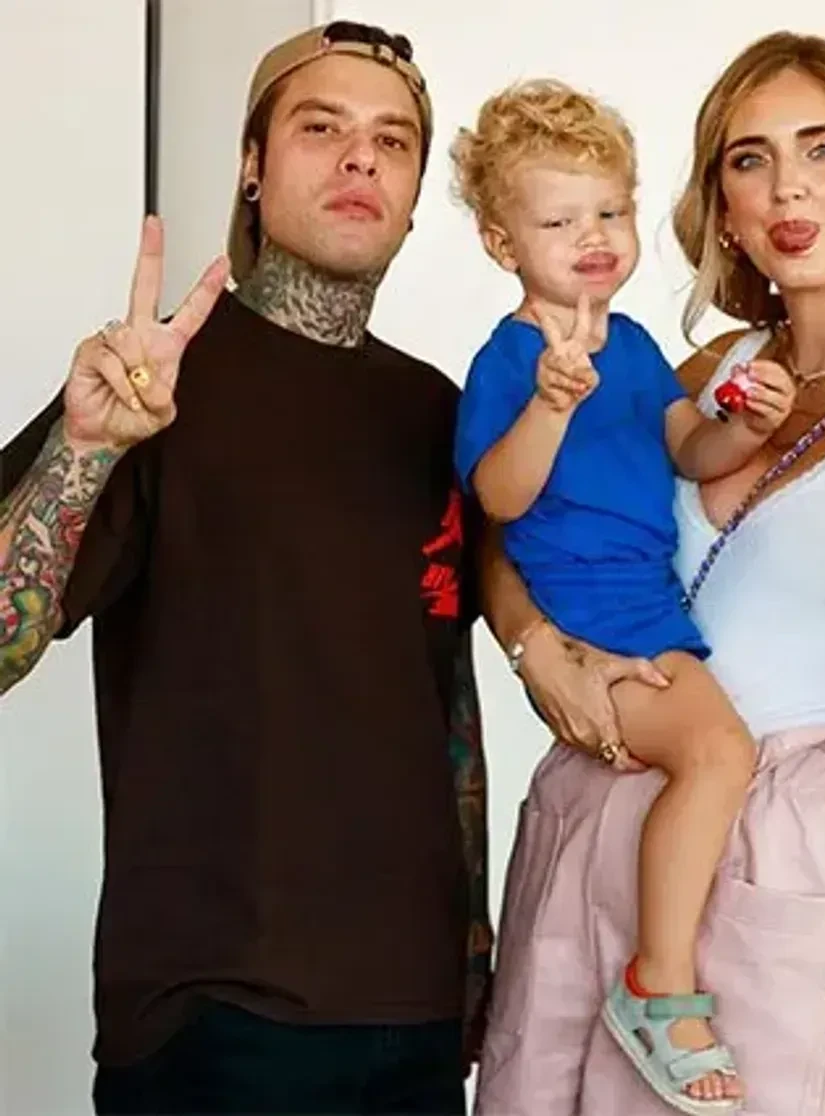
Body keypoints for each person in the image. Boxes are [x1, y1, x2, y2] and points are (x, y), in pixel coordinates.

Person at [474, 30, 825, 1116]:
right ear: (721, 208)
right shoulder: (694, 372)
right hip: (588, 820)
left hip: (764, 855)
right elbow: (504, 522)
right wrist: (538, 652)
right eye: (749, 158)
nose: (789, 188)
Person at [0, 21, 490, 1116]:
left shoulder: (438, 410)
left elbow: (445, 699)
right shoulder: (154, 383)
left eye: (393, 140)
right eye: (322, 128)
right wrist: (86, 449)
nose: (361, 158)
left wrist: (470, 949)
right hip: (211, 1017)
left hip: (413, 1017)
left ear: (415, 195)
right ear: (253, 168)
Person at [450, 79, 798, 1110]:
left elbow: (692, 449)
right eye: (559, 221)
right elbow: (498, 497)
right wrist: (551, 405)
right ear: (501, 243)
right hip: (591, 616)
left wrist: (750, 422)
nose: (593, 237)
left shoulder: (637, 345)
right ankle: (658, 984)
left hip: (647, 607)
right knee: (720, 752)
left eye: (610, 210)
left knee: (712, 753)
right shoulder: (511, 359)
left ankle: (655, 972)